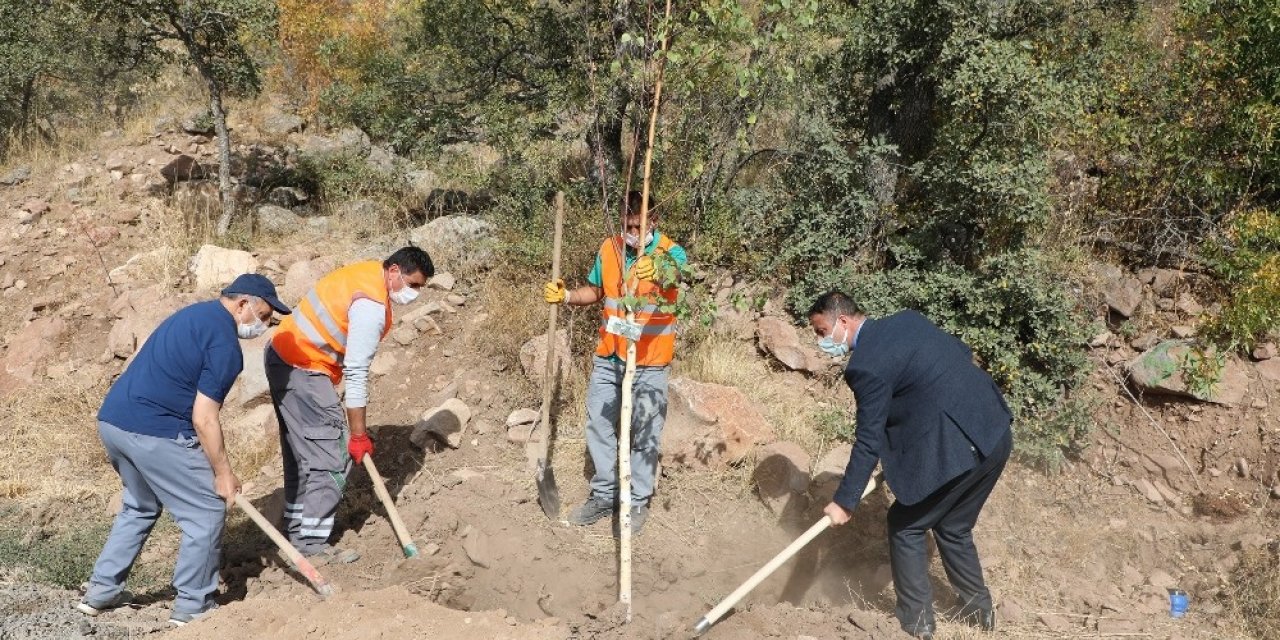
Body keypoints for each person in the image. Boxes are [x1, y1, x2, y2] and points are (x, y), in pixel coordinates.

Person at [80, 274, 291, 627]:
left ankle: (102, 590)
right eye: (266, 316)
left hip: (114, 421)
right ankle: (194, 605)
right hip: (155, 432)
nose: (266, 325)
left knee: (140, 505)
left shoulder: (193, 315)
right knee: (206, 511)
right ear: (242, 305)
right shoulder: (225, 346)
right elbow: (204, 419)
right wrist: (224, 474)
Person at [806, 291, 1013, 639]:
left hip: (963, 448)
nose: (822, 341)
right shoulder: (908, 319)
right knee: (953, 526)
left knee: (905, 525)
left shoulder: (865, 366)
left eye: (822, 331)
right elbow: (960, 355)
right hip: (994, 431)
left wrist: (845, 501)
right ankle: (981, 618)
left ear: (843, 321)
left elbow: (869, 439)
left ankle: (916, 625)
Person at [266, 246, 433, 564]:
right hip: (305, 366)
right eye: (413, 285)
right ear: (395, 271)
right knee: (333, 454)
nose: (415, 294)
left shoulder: (368, 274)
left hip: (284, 356)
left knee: (304, 454)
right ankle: (310, 548)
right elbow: (356, 373)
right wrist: (357, 435)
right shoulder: (370, 306)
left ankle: (295, 531)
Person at [543, 190, 687, 535]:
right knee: (599, 424)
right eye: (629, 223)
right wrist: (566, 296)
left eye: (641, 223)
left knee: (645, 433)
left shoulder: (671, 251)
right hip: (609, 356)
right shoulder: (609, 248)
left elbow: (679, 273)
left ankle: (637, 501)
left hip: (651, 361)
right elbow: (596, 292)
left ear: (654, 219)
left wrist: (663, 268)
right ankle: (605, 494)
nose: (635, 230)